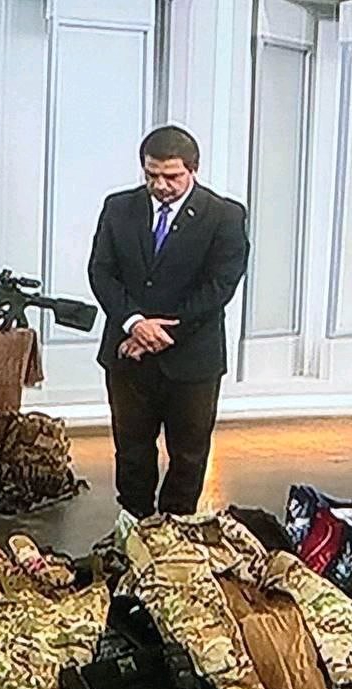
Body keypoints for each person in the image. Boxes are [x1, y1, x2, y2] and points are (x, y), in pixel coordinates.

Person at [88, 125, 249, 518]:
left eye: (171, 176)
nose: (160, 185)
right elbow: (101, 272)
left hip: (192, 360)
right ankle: (133, 527)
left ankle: (176, 531)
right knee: (131, 450)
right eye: (151, 175)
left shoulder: (224, 216)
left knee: (188, 454)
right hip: (128, 355)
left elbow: (219, 286)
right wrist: (134, 323)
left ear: (193, 170)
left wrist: (157, 333)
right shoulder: (118, 208)